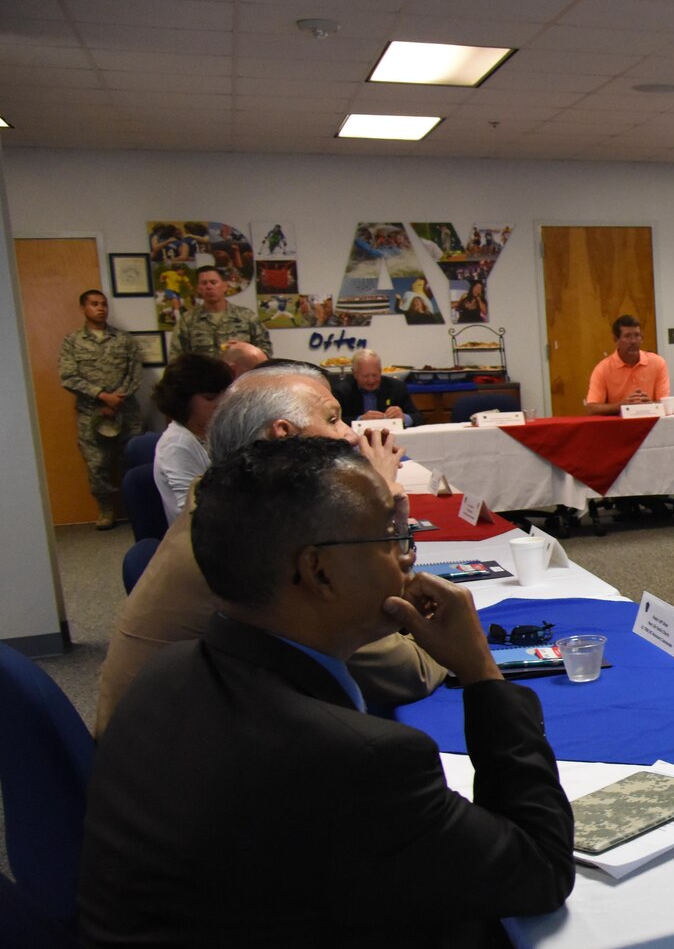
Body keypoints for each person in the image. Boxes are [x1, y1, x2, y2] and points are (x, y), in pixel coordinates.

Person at [80, 437, 573, 949]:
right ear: (315, 569)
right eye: (390, 536)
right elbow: (541, 864)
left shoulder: (174, 672)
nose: (407, 556)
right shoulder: (349, 760)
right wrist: (483, 674)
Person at [99, 365, 444, 732]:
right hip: (184, 762)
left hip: (162, 741)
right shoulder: (271, 537)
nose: (351, 437)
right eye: (333, 419)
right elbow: (408, 673)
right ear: (283, 436)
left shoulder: (220, 494)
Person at [58, 288, 142, 529]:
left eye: (104, 304)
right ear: (83, 308)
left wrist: (117, 399)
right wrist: (101, 397)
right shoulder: (72, 342)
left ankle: (136, 508)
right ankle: (106, 511)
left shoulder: (124, 340)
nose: (101, 308)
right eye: (94, 304)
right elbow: (68, 376)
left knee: (133, 461)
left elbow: (135, 373)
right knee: (97, 466)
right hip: (92, 414)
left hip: (126, 412)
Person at [151, 353, 234, 520]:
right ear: (183, 400)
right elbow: (195, 514)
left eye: (224, 394)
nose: (222, 403)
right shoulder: (177, 445)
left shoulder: (211, 433)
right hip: (199, 537)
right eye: (210, 398)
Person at [173, 264, 271, 359]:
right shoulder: (187, 320)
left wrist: (244, 350)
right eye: (204, 283)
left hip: (239, 374)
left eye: (213, 282)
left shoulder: (246, 316)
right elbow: (176, 358)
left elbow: (265, 352)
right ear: (199, 289)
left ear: (225, 286)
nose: (209, 287)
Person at [583, 314, 670, 415]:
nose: (633, 341)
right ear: (616, 340)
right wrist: (622, 406)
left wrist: (650, 405)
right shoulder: (603, 368)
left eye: (637, 335)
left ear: (642, 338)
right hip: (618, 426)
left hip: (652, 425)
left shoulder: (658, 363)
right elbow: (592, 408)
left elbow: (665, 403)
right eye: (627, 336)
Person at [332, 348, 417, 421]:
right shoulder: (342, 392)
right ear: (355, 373)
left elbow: (418, 417)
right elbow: (333, 421)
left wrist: (404, 417)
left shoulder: (397, 387)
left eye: (375, 375)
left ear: (380, 371)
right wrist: (360, 420)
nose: (371, 380)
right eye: (365, 376)